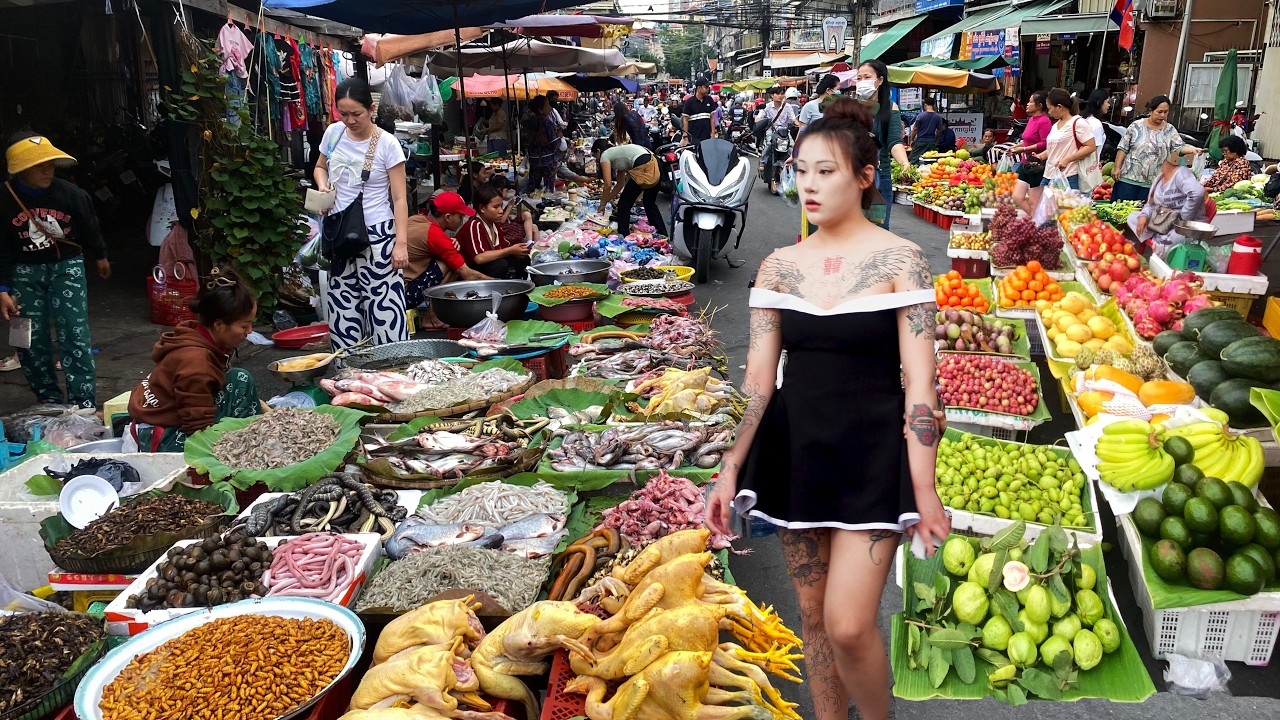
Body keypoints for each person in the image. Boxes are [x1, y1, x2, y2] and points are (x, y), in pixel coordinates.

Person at [706, 96, 949, 720]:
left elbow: (921, 382)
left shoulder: (902, 260)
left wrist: (924, 486)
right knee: (811, 617)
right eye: (801, 169)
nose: (808, 184)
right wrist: (731, 465)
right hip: (798, 452)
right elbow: (757, 380)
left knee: (847, 624)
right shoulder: (778, 267)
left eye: (826, 171)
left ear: (865, 176)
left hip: (872, 453)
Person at [1, 132, 109, 409]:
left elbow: (89, 226)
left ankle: (82, 405)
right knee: (28, 338)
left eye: (49, 163)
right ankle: (47, 400)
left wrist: (100, 255)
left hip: (67, 267)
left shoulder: (71, 194)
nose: (47, 169)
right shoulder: (4, 198)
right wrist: (2, 289)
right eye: (39, 164)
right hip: (23, 273)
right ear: (22, 169)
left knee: (74, 334)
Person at [314, 78, 410, 350]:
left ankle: (393, 375)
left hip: (378, 236)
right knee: (343, 309)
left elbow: (400, 198)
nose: (350, 120)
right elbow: (320, 167)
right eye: (343, 114)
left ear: (371, 109)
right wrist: (323, 186)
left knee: (384, 310)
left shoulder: (388, 144)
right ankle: (349, 377)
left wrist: (400, 244)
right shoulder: (333, 134)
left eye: (356, 114)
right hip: (338, 233)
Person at [125, 267, 260, 452]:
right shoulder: (197, 362)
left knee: (235, 378)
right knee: (241, 381)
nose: (250, 331)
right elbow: (199, 429)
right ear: (219, 324)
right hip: (163, 439)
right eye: (245, 325)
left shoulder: (197, 334)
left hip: (155, 419)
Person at [403, 191, 488, 320]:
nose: (462, 221)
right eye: (460, 217)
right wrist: (498, 283)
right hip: (406, 295)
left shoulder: (416, 219)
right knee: (452, 263)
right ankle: (432, 317)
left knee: (451, 256)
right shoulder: (434, 234)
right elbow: (467, 274)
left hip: (395, 290)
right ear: (447, 217)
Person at [1113, 95, 1200, 202]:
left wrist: (1192, 150)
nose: (1162, 115)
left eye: (1166, 112)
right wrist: (1117, 167)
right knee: (1120, 212)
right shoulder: (1136, 126)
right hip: (1128, 180)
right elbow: (1123, 148)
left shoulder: (1169, 130)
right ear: (1151, 111)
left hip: (1153, 183)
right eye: (1159, 112)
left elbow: (1179, 147)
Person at [855, 60, 909, 227]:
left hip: (880, 178)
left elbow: (894, 141)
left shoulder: (890, 108)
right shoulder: (851, 108)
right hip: (851, 178)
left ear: (879, 80)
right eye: (859, 78)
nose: (862, 81)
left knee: (878, 231)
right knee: (851, 234)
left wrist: (904, 162)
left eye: (867, 77)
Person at [1127, 149, 1207, 253]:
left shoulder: (1181, 173)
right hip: (1164, 220)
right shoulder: (1158, 179)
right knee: (1133, 218)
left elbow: (1197, 193)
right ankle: (1159, 234)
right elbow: (1150, 204)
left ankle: (1161, 241)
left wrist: (1183, 218)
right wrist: (1144, 216)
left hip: (1184, 226)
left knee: (1167, 242)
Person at [592, 139, 667, 237]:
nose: (597, 160)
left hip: (643, 166)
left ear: (598, 151)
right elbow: (619, 184)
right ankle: (662, 233)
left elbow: (607, 185)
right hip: (654, 163)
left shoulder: (605, 155)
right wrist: (606, 201)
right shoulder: (617, 154)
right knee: (649, 203)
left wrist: (602, 204)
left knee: (623, 205)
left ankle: (623, 236)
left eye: (595, 156)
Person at [457, 184, 531, 278]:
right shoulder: (474, 225)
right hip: (470, 271)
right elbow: (479, 258)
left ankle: (520, 288)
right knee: (500, 265)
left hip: (489, 264)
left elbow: (503, 246)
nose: (500, 211)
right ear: (482, 208)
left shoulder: (494, 224)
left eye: (501, 206)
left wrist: (519, 249)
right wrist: (510, 250)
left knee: (523, 259)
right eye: (496, 207)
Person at [1035, 88, 1097, 190]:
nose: (1049, 112)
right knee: (1041, 204)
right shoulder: (1055, 125)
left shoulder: (1078, 123)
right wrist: (1039, 157)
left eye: (1050, 108)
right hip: (1049, 174)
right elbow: (1054, 149)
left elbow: (1091, 146)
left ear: (1059, 107)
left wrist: (1067, 160)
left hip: (1068, 176)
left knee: (1064, 205)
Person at [756, 86, 800, 194]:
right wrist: (759, 121)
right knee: (768, 145)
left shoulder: (788, 107)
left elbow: (794, 119)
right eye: (778, 93)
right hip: (772, 131)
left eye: (782, 93)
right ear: (772, 95)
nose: (780, 96)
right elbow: (759, 117)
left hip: (785, 132)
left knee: (793, 147)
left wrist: (799, 125)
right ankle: (762, 163)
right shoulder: (767, 107)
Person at [486, 175, 540, 245]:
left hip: (507, 224)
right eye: (506, 191)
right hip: (504, 229)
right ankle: (532, 246)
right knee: (534, 227)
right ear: (499, 190)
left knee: (527, 214)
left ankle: (530, 242)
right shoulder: (494, 201)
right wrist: (510, 205)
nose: (507, 193)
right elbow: (501, 220)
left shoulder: (499, 200)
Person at [522, 95, 559, 194]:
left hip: (534, 160)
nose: (549, 107)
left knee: (533, 186)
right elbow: (555, 144)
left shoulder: (527, 123)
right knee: (548, 188)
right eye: (547, 105)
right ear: (540, 110)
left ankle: (529, 204)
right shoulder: (547, 123)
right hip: (548, 160)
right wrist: (559, 137)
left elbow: (524, 142)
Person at [1005, 90, 1051, 162]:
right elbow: (1028, 142)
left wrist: (1023, 149)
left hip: (1036, 162)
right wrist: (1014, 147)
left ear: (1039, 106)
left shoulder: (1044, 121)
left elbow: (1044, 144)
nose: (1027, 104)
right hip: (1025, 160)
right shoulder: (1031, 119)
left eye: (1031, 102)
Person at [907, 96, 945, 162]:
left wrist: (912, 140)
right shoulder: (938, 117)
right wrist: (936, 140)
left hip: (921, 142)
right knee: (931, 161)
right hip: (932, 142)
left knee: (913, 159)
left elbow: (915, 129)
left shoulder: (921, 116)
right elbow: (939, 131)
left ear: (925, 105)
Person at [682, 77, 718, 147]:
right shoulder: (689, 102)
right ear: (699, 88)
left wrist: (713, 134)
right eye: (706, 87)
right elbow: (685, 120)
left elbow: (712, 118)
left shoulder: (709, 100)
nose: (708, 89)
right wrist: (685, 136)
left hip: (707, 137)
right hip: (693, 137)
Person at [1079, 89, 1111, 163]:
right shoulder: (1096, 124)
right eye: (1107, 102)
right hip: (1089, 166)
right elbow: (1093, 150)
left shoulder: (1086, 119)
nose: (1109, 105)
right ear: (1099, 102)